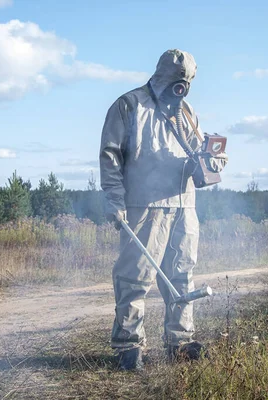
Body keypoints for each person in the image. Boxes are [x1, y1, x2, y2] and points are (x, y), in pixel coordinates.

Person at [99, 49, 228, 371]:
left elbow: (198, 154)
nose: (181, 87)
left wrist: (211, 162)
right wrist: (115, 200)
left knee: (182, 275)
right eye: (176, 80)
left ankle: (180, 342)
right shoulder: (130, 105)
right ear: (161, 74)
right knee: (134, 278)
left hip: (184, 206)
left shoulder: (187, 112)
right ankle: (129, 347)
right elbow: (111, 155)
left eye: (186, 81)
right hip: (144, 206)